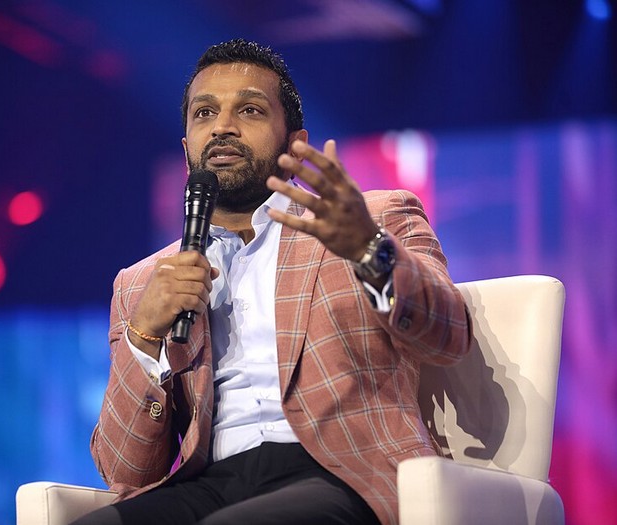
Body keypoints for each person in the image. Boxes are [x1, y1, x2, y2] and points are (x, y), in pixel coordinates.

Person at [81, 39, 472, 525]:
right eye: (205, 113)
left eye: (248, 109)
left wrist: (369, 251)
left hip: (346, 472)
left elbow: (450, 336)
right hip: (212, 484)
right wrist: (142, 338)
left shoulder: (367, 219)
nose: (222, 126)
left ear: (294, 144)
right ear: (187, 150)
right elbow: (127, 472)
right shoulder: (143, 283)